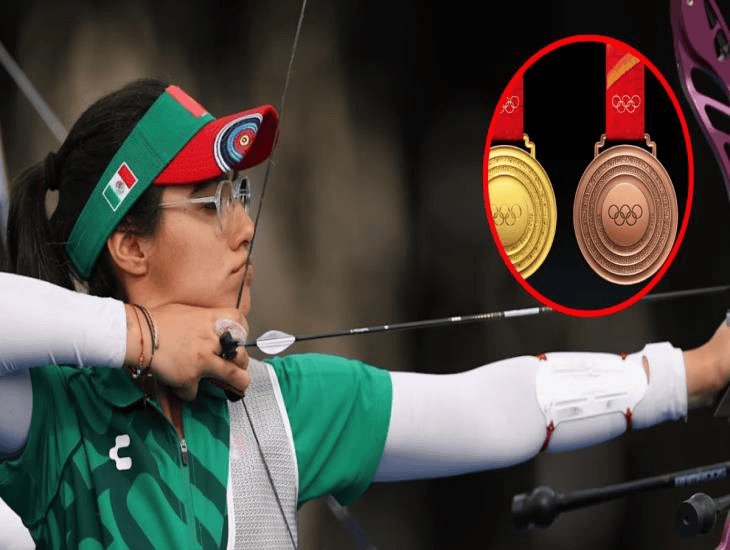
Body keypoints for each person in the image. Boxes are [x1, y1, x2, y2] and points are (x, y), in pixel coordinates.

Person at [1, 78, 729, 549]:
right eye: (210, 199)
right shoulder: (51, 411)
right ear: (129, 243)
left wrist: (693, 373)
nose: (244, 226)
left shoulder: (276, 408)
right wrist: (139, 336)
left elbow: (485, 407)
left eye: (240, 194)